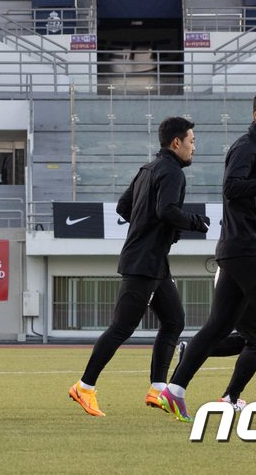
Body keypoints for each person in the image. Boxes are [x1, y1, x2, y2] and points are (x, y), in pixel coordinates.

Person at [156, 90, 256, 423]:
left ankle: (174, 390)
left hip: (238, 249)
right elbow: (232, 188)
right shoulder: (246, 148)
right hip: (244, 247)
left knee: (218, 326)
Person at [69, 116, 207, 418]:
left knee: (174, 321)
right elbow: (167, 210)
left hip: (154, 261)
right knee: (122, 327)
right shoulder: (171, 172)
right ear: (176, 143)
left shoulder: (148, 169)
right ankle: (84, 386)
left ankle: (158, 388)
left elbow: (123, 206)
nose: (194, 147)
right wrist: (195, 222)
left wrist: (151, 229)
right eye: (192, 141)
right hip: (144, 263)